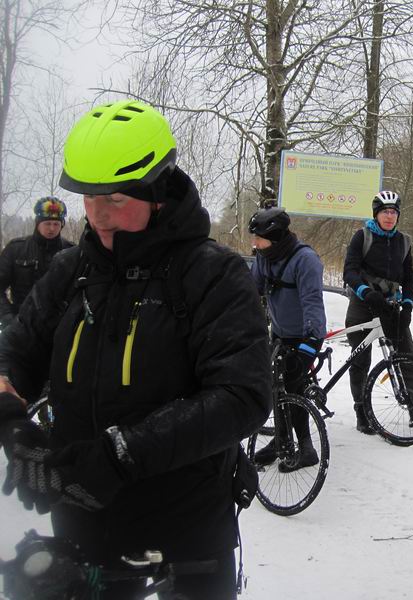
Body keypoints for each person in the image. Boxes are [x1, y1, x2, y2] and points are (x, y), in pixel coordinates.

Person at [0, 99, 271, 599]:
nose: (98, 215)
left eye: (117, 198)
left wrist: (119, 455)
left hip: (187, 534)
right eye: (88, 197)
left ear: (159, 191)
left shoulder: (213, 274)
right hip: (83, 524)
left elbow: (243, 395)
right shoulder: (72, 272)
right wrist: (13, 422)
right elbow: (15, 352)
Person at [342, 190, 413, 434]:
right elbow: (350, 270)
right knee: (361, 360)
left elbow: (409, 278)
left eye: (393, 212)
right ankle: (362, 412)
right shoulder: (363, 236)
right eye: (384, 212)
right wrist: (365, 292)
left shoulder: (403, 241)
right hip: (363, 303)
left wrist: (409, 305)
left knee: (406, 357)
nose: (389, 216)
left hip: (390, 305)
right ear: (376, 214)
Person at [248, 206, 326, 471]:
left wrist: (308, 348)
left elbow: (313, 304)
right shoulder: (264, 256)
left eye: (259, 238)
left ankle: (306, 449)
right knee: (276, 387)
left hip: (304, 336)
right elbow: (252, 290)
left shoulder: (305, 260)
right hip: (279, 333)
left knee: (294, 388)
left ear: (277, 237)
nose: (254, 243)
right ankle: (281, 439)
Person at [0, 196, 73, 328]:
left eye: (56, 224)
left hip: (59, 329)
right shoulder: (16, 249)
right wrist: (8, 318)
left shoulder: (71, 251)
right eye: (47, 223)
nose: (51, 229)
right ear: (37, 223)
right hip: (22, 326)